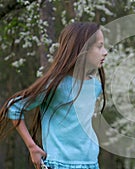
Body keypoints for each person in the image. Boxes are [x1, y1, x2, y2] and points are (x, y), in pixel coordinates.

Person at [0, 22, 108, 169]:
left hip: (91, 163)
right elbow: (14, 107)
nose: (105, 52)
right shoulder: (56, 85)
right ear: (82, 48)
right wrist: (32, 147)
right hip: (60, 164)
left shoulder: (96, 87)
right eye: (100, 46)